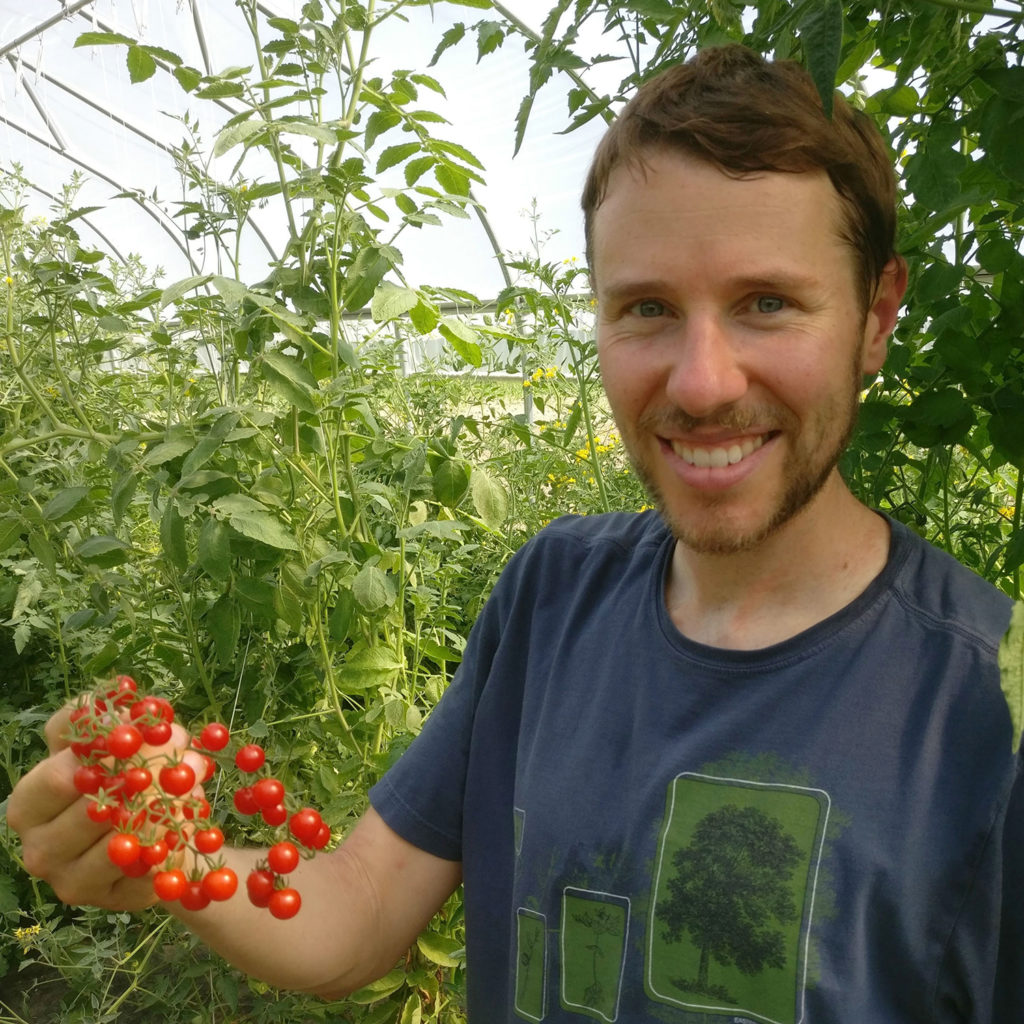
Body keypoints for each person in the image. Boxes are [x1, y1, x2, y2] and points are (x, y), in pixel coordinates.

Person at [8, 43, 1023, 1023]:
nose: (703, 380)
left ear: (876, 316)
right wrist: (174, 855)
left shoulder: (987, 719)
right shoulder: (553, 598)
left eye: (766, 302)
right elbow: (354, 913)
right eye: (646, 308)